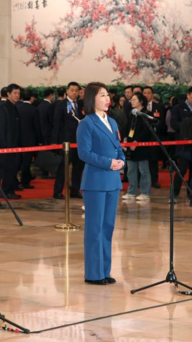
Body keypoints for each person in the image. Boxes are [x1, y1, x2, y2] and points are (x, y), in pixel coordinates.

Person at [77, 82, 125, 285]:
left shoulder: (112, 122)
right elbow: (84, 153)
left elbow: (118, 146)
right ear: (92, 99)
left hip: (113, 181)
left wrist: (122, 159)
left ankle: (105, 271)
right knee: (94, 229)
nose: (107, 99)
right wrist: (109, 163)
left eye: (107, 95)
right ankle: (93, 274)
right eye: (102, 95)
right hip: (95, 181)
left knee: (108, 227)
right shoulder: (86, 123)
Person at [51, 81, 85, 199]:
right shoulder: (61, 105)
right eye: (72, 90)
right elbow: (56, 124)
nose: (74, 93)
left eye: (77, 90)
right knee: (63, 168)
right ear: (67, 91)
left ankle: (75, 190)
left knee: (78, 167)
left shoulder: (81, 104)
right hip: (66, 142)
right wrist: (55, 142)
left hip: (80, 141)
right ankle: (58, 191)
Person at [170, 86, 192, 198]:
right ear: (188, 95)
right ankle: (174, 192)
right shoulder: (178, 108)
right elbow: (173, 123)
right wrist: (186, 126)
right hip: (183, 144)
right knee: (181, 169)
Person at [123, 92, 151, 201]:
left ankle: (145, 193)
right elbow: (128, 127)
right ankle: (132, 191)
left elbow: (146, 130)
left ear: (141, 101)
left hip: (142, 146)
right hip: (131, 145)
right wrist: (126, 139)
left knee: (143, 170)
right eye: (131, 100)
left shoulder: (146, 114)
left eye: (134, 99)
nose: (132, 101)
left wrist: (137, 141)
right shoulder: (132, 113)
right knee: (131, 169)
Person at [16, 89, 42, 189]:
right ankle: (24, 181)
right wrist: (40, 140)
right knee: (26, 162)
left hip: (18, 139)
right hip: (30, 140)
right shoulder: (34, 109)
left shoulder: (17, 107)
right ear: (31, 98)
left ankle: (18, 180)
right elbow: (37, 127)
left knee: (18, 161)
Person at [1, 84, 23, 199]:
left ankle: (9, 189)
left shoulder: (14, 106)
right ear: (8, 94)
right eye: (15, 93)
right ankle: (6, 191)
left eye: (18, 93)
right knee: (8, 168)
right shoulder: (5, 107)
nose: (17, 95)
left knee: (13, 167)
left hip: (14, 144)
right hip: (8, 145)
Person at [143, 86, 165, 189]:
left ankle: (154, 180)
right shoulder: (140, 107)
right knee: (143, 160)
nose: (146, 95)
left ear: (152, 95)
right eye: (145, 93)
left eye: (148, 93)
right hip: (143, 136)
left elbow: (161, 121)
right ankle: (143, 181)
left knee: (153, 159)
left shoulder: (159, 106)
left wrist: (154, 128)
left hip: (154, 136)